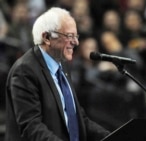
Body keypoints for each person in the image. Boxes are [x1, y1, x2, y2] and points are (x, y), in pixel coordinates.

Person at [5, 7, 110, 141]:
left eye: (76, 36)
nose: (76, 42)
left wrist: (112, 137)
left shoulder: (62, 65)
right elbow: (31, 127)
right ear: (47, 37)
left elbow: (78, 118)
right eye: (69, 36)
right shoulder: (24, 71)